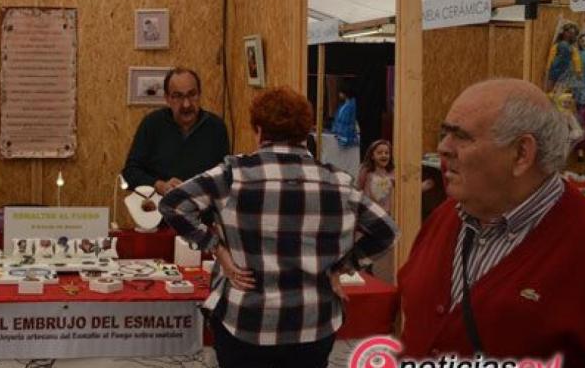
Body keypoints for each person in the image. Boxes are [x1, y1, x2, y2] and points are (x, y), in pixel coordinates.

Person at [160, 87, 397, 368]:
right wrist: (343, 266)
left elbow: (173, 204)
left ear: (259, 130)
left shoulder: (231, 175)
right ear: (304, 132)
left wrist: (217, 250)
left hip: (246, 322)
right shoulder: (339, 183)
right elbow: (387, 230)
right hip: (314, 323)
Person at [399, 79, 585, 365]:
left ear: (522, 153)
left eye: (462, 136)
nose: (443, 148)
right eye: (445, 132)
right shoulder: (444, 217)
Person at [122, 67, 229, 195]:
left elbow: (225, 176)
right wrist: (158, 185)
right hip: (159, 208)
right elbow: (129, 173)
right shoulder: (152, 124)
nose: (186, 104)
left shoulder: (216, 127)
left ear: (199, 94)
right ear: (167, 98)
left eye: (192, 94)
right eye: (178, 96)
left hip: (202, 210)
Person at [358, 139, 396, 281]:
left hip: (386, 214)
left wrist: (421, 187)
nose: (384, 155)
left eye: (386, 153)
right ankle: (367, 268)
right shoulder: (367, 173)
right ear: (372, 155)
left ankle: (373, 269)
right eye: (379, 153)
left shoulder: (392, 174)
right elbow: (359, 191)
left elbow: (404, 190)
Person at [331, 83, 358, 148]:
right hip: (341, 133)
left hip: (347, 134)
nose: (339, 94)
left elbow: (350, 121)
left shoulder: (352, 105)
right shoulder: (343, 105)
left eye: (340, 92)